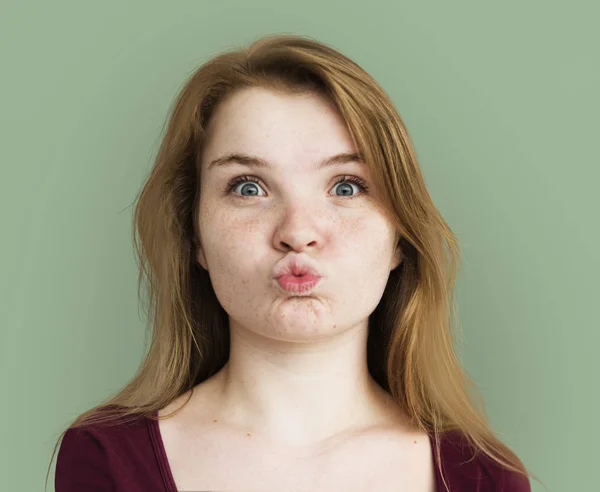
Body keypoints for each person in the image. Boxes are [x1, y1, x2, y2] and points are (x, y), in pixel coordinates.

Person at [48, 34, 540, 492]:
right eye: (248, 187)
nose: (298, 232)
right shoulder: (103, 460)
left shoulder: (483, 479)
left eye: (346, 186)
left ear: (399, 239)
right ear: (194, 235)